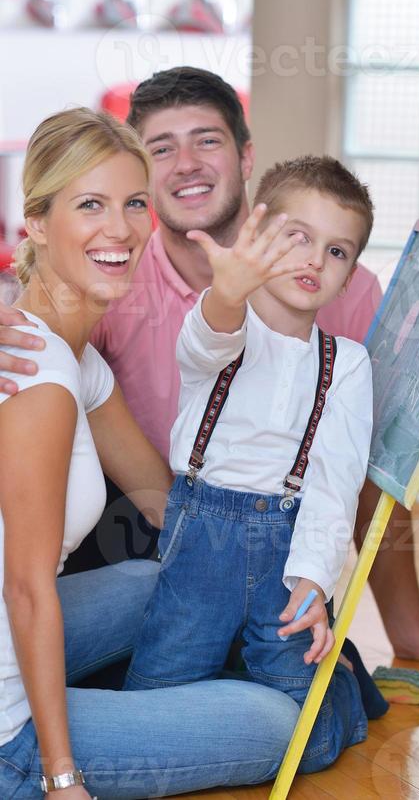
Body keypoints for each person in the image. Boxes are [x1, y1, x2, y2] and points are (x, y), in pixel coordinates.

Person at [0, 66, 419, 663]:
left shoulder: (341, 289)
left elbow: (370, 475)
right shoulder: (114, 270)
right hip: (122, 528)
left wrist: (410, 630)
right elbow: (36, 308)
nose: (186, 164)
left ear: (246, 156)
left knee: (329, 675)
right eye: (161, 149)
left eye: (206, 140)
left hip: (271, 539)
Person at [0, 108, 302, 799]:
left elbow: (171, 509)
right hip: (7, 729)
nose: (121, 229)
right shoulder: (37, 378)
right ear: (38, 224)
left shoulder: (73, 358)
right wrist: (59, 775)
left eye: (135, 202)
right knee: (274, 723)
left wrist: (294, 584)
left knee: (151, 581)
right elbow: (24, 587)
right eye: (90, 205)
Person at [125, 157, 374, 772]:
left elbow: (335, 489)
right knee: (153, 695)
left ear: (349, 276)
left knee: (308, 740)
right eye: (297, 237)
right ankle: (226, 704)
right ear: (255, 240)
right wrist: (227, 291)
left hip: (286, 556)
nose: (315, 260)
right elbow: (210, 336)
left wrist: (314, 584)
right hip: (200, 543)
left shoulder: (347, 364)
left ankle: (341, 690)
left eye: (337, 251)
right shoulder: (223, 326)